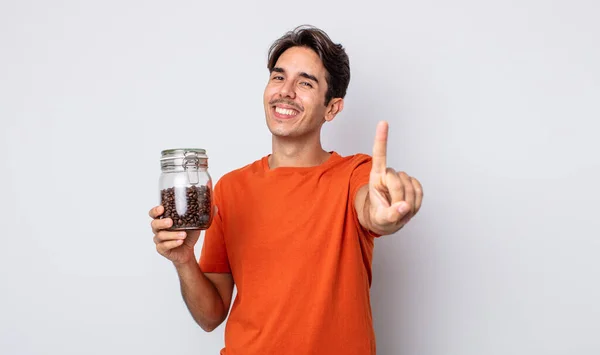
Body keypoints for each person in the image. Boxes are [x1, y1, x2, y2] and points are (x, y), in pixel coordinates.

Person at [149, 25, 423, 355]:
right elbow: (210, 316)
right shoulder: (230, 188)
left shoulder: (355, 174)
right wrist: (183, 260)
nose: (286, 91)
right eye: (279, 77)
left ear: (332, 108)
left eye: (305, 83)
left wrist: (384, 214)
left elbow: (372, 211)